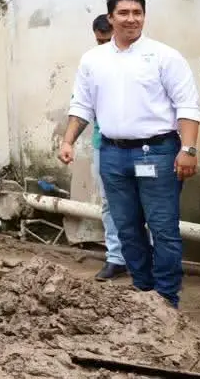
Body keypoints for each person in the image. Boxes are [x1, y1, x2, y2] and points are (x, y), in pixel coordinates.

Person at [59, 0, 200, 309]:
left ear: (144, 16)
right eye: (123, 13)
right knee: (126, 227)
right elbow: (81, 105)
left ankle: (166, 299)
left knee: (163, 228)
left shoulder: (165, 56)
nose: (131, 19)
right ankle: (143, 291)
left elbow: (188, 107)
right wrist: (68, 140)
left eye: (137, 13)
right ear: (111, 18)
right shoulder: (93, 59)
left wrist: (188, 149)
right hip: (112, 154)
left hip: (159, 153)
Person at [86, 15, 128, 282]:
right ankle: (116, 257)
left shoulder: (137, 60)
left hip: (140, 146)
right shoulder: (92, 62)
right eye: (98, 40)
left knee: (141, 203)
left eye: (106, 39)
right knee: (110, 204)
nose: (103, 45)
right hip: (104, 144)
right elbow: (82, 102)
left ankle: (142, 256)